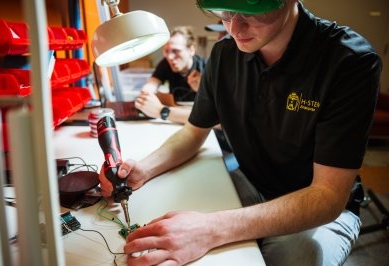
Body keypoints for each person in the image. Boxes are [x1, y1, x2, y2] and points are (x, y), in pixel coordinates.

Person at [100, 0, 382, 265]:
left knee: (296, 256)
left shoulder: (348, 60)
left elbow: (327, 197)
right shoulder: (224, 54)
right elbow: (192, 134)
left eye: (249, 12)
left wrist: (212, 229)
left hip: (317, 205)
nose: (234, 28)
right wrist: (143, 169)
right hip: (252, 183)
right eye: (224, 13)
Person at [134, 26, 206, 124]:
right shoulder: (165, 64)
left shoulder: (205, 67)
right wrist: (147, 92)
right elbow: (152, 83)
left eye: (176, 51)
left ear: (191, 50)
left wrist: (202, 89)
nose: (170, 57)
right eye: (166, 51)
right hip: (175, 115)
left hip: (198, 118)